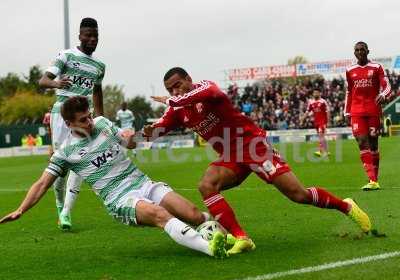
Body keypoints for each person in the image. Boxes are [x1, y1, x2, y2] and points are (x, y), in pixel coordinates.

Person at [145, 67, 372, 255]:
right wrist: (150, 131)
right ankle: (241, 237)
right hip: (230, 156)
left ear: (188, 80)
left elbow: (201, 93)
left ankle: (346, 206)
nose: (174, 91)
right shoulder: (178, 109)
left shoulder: (206, 88)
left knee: (298, 195)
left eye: (177, 85)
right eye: (170, 89)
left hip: (254, 147)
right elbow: (160, 128)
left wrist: (171, 99)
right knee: (207, 185)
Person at [0, 96, 227, 259]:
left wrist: (138, 136)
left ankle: (232, 238)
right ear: (69, 124)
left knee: (193, 213)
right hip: (119, 199)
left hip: (143, 183)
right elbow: (42, 184)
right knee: (160, 215)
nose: (89, 122)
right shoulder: (65, 153)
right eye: (82, 120)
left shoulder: (102, 124)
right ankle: (210, 248)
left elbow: (129, 143)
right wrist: (22, 209)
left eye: (89, 116)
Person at [39, 17, 105, 230]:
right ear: (80, 36)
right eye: (88, 35)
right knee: (62, 167)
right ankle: (60, 203)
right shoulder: (66, 55)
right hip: (62, 115)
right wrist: (57, 83)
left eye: (95, 35)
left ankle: (66, 213)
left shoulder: (99, 66)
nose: (92, 39)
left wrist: (100, 119)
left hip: (84, 117)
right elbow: (43, 80)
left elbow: (97, 91)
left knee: (81, 161)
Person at [345, 42, 391, 191]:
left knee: (373, 145)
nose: (359, 52)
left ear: (368, 51)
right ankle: (372, 179)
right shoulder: (350, 70)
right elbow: (349, 92)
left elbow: (386, 85)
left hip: (373, 110)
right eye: (357, 50)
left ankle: (374, 180)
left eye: (362, 49)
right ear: (354, 53)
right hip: (356, 111)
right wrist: (347, 111)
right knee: (362, 142)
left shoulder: (376, 67)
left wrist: (383, 95)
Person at [307, 88, 330, 157]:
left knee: (320, 135)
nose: (315, 94)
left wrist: (328, 121)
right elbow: (307, 111)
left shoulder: (323, 101)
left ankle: (320, 151)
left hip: (322, 122)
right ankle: (327, 152)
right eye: (314, 93)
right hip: (316, 122)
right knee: (322, 137)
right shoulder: (311, 102)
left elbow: (328, 111)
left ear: (319, 93)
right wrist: (302, 118)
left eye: (317, 93)